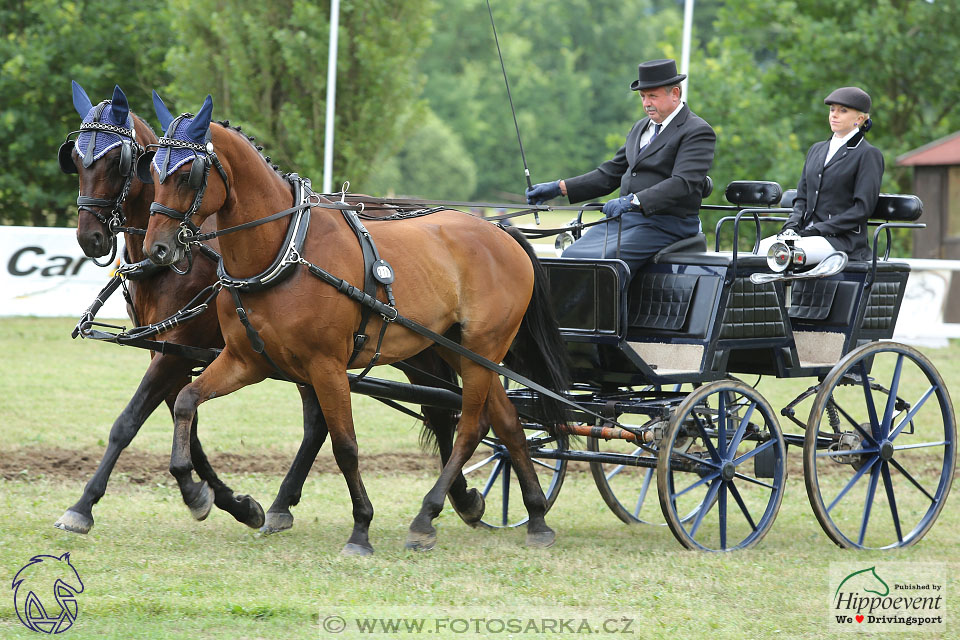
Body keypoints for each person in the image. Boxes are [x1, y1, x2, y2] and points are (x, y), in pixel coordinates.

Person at [525, 58, 716, 274]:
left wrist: (635, 201)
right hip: (624, 221)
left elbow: (682, 183)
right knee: (571, 256)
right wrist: (559, 188)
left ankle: (613, 309)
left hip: (667, 224)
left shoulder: (696, 131)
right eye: (643, 97)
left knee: (606, 266)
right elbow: (610, 174)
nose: (646, 103)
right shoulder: (640, 128)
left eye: (652, 96)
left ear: (675, 93)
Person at [758, 86, 883, 263]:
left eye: (843, 111)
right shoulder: (816, 150)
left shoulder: (867, 154)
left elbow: (862, 209)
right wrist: (792, 226)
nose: (834, 115)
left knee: (788, 255)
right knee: (760, 250)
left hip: (842, 239)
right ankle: (781, 292)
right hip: (806, 234)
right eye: (832, 110)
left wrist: (818, 229)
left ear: (859, 119)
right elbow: (802, 199)